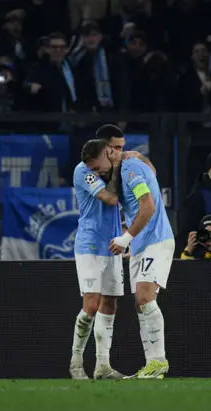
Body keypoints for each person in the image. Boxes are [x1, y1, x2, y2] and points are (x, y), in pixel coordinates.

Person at [96, 142, 175, 380]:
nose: (96, 171)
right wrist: (141, 156)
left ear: (110, 153)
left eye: (98, 163)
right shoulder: (126, 170)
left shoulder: (129, 169)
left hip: (156, 239)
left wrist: (125, 238)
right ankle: (152, 365)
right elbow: (153, 173)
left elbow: (148, 206)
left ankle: (159, 360)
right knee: (141, 304)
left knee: (144, 297)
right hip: (141, 245)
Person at [70, 139, 124, 380]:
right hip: (90, 244)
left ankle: (103, 365)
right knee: (91, 305)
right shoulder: (82, 171)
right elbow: (111, 199)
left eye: (96, 166)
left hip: (111, 244)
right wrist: (114, 168)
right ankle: (76, 363)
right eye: (93, 168)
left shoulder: (112, 167)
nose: (95, 170)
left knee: (110, 303)